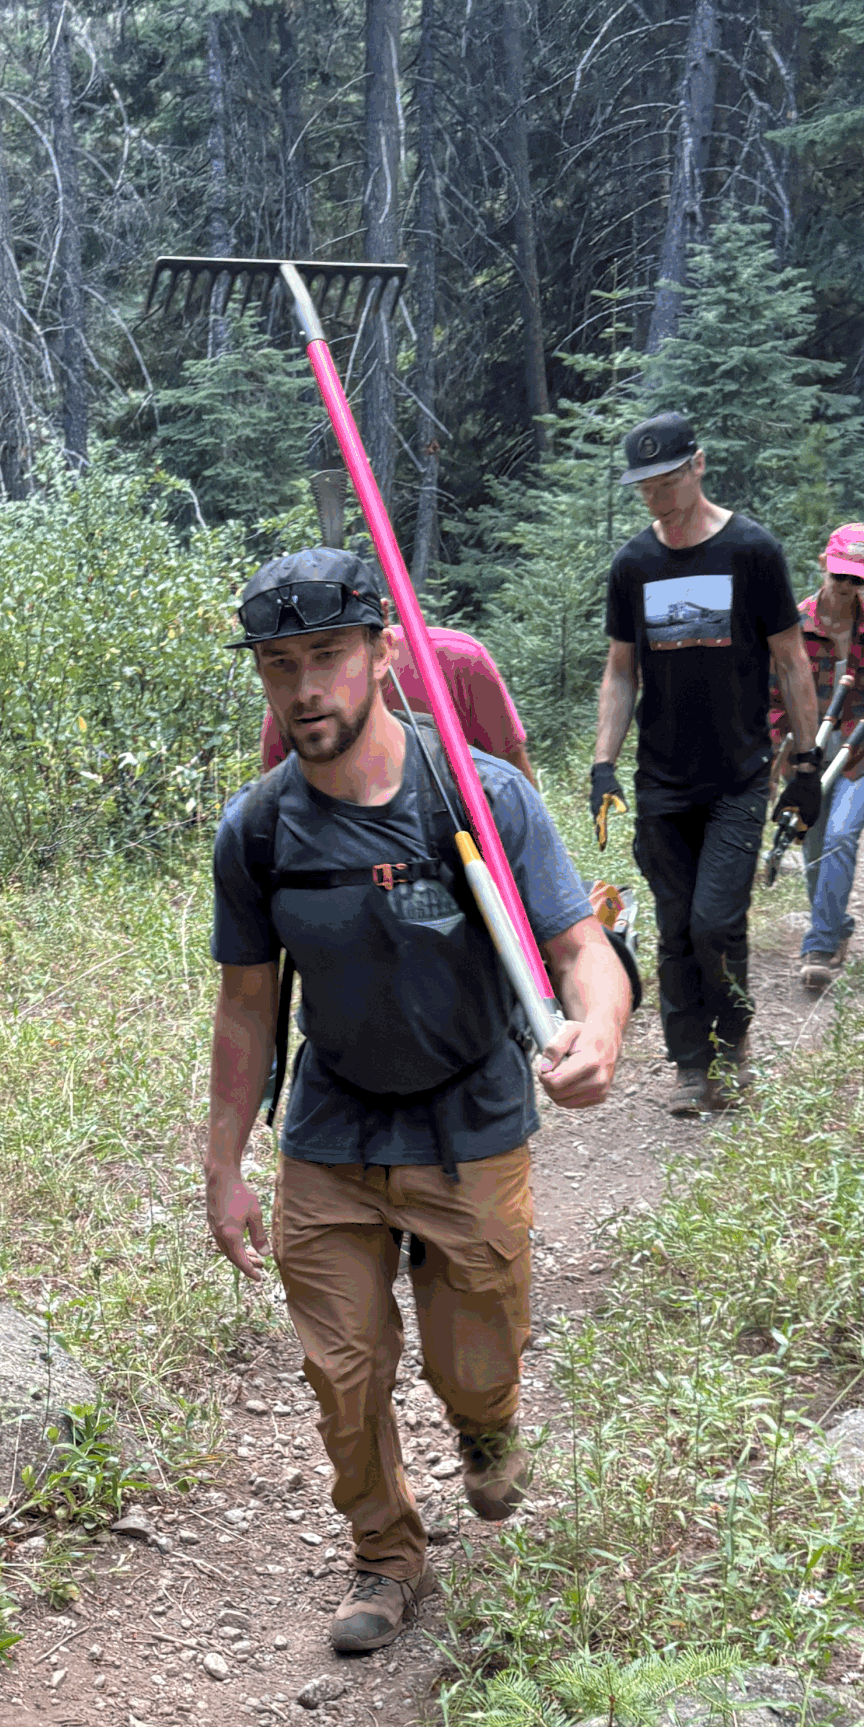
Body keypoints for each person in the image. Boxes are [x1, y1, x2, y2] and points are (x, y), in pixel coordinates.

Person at [206, 549, 622, 1659]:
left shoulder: (481, 797)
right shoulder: (257, 832)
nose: (302, 688)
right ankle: (385, 1553)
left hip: (469, 1123)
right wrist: (221, 1167)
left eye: (326, 656)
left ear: (382, 654)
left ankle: (486, 1433)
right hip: (332, 1131)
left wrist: (600, 1031)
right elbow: (247, 1008)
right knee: (342, 1373)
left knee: (470, 1365)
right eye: (277, 665)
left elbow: (582, 950)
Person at [587, 410, 820, 1118]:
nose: (654, 493)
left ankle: (733, 1048)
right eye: (642, 483)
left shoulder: (752, 551)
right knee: (676, 921)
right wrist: (604, 762)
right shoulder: (634, 564)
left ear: (698, 464)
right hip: (662, 779)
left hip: (739, 776)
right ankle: (692, 1065)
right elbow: (621, 671)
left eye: (665, 478)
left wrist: (807, 764)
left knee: (718, 919)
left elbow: (791, 658)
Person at [768, 523, 864, 988]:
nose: (847, 586)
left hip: (863, 752)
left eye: (857, 579)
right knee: (813, 849)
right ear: (824, 566)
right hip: (807, 755)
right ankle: (837, 926)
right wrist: (775, 760)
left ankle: (820, 947)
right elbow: (773, 699)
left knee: (839, 838)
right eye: (840, 576)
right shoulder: (792, 623)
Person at [260, 612, 534, 781]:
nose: (309, 685)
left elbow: (512, 768)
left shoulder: (457, 661)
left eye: (328, 652)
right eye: (286, 659)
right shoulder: (298, 703)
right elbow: (278, 797)